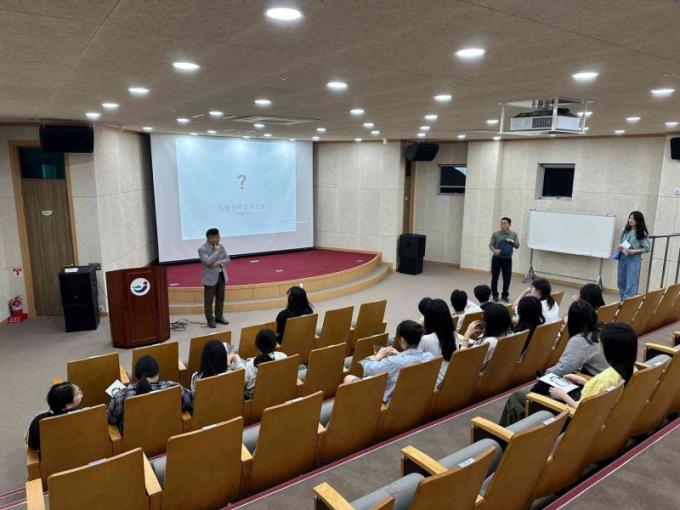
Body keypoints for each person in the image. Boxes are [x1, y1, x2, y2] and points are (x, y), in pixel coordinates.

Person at [498, 300, 608, 425]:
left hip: (588, 392)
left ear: (573, 321)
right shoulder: (602, 329)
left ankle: (505, 432)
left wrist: (544, 374)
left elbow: (563, 368)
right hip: (597, 388)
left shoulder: (581, 340)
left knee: (517, 396)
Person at [549, 322, 637, 408]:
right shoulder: (630, 368)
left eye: (600, 342)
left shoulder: (606, 378)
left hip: (577, 413)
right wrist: (584, 381)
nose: (598, 345)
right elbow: (602, 393)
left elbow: (584, 408)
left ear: (608, 348)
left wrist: (563, 395)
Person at [344, 320, 434, 403]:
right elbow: (410, 361)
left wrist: (378, 356)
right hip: (411, 398)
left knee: (348, 378)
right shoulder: (429, 357)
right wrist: (400, 355)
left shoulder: (393, 362)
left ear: (402, 340)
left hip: (387, 402)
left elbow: (367, 369)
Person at [107, 355, 193, 431]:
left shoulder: (121, 396)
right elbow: (192, 401)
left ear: (136, 375)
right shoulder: (175, 388)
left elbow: (111, 419)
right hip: (168, 435)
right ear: (157, 374)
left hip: (134, 443)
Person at [26, 382, 83, 452]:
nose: (80, 392)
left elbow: (32, 444)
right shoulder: (85, 414)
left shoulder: (39, 420)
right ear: (68, 405)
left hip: (49, 455)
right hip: (78, 452)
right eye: (77, 393)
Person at [419, 299, 457, 387]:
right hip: (451, 380)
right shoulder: (454, 334)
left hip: (433, 385)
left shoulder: (425, 340)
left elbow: (413, 363)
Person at [199, 228, 230, 328]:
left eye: (218, 237)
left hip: (221, 276)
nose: (218, 239)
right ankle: (210, 320)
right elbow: (207, 262)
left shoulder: (221, 246)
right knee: (208, 301)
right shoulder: (202, 249)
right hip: (210, 278)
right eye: (215, 237)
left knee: (220, 298)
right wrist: (216, 252)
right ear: (209, 238)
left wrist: (218, 263)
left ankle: (219, 317)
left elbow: (227, 259)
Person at [616, 211, 651, 300]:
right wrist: (621, 246)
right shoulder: (626, 230)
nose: (631, 220)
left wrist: (634, 251)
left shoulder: (641, 233)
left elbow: (647, 248)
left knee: (631, 283)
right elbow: (622, 242)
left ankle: (628, 304)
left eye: (634, 219)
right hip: (622, 257)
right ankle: (622, 302)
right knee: (620, 282)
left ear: (638, 221)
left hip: (633, 260)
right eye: (630, 218)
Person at [244, 329, 288, 399]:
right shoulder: (283, 356)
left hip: (255, 401)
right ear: (275, 344)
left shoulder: (250, 366)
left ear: (257, 346)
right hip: (277, 394)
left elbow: (243, 384)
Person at [489, 217, 520, 303]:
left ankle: (505, 295)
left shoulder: (513, 234)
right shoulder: (496, 234)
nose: (502, 225)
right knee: (495, 277)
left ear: (509, 225)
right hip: (496, 259)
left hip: (507, 259)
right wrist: (494, 250)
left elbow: (517, 246)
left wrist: (512, 241)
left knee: (507, 278)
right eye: (501, 223)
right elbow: (491, 245)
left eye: (504, 223)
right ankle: (495, 295)